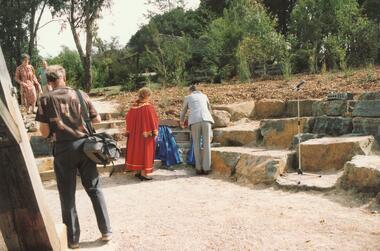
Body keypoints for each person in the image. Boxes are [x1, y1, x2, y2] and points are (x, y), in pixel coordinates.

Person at [35, 65, 112, 249]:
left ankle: (73, 240)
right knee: (95, 189)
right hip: (86, 148)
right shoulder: (80, 94)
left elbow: (45, 132)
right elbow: (97, 120)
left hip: (63, 150)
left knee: (67, 195)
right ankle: (106, 231)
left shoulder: (45, 99)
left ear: (49, 81)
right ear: (64, 77)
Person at [125, 87, 159, 180]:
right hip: (145, 135)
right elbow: (153, 120)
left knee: (137, 152)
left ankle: (138, 172)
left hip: (135, 135)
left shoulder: (133, 107)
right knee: (145, 152)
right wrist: (154, 132)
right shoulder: (148, 107)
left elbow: (128, 119)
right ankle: (144, 174)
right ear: (147, 95)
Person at [180, 85, 214, 175]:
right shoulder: (204, 96)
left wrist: (181, 121)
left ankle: (198, 168)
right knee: (207, 144)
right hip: (206, 119)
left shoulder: (188, 97)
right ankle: (206, 168)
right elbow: (209, 109)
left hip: (195, 120)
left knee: (196, 144)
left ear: (190, 91)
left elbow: (183, 110)